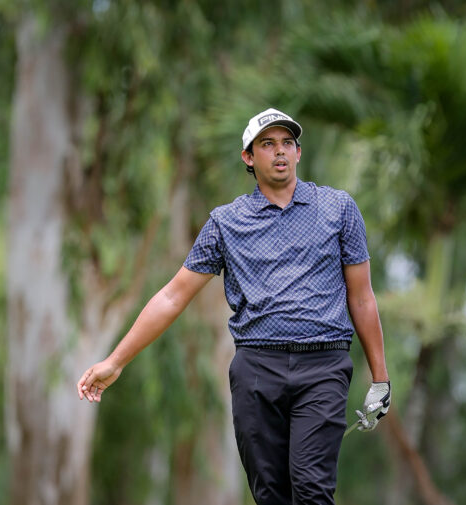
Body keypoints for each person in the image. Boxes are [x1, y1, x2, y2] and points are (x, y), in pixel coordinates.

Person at [77, 108, 390, 505]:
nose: (279, 151)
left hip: (323, 366)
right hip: (257, 369)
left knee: (312, 488)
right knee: (270, 494)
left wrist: (380, 379)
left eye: (287, 143)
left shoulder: (338, 208)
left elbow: (361, 296)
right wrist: (115, 361)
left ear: (298, 153)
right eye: (267, 144)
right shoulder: (225, 223)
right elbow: (173, 296)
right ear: (248, 157)